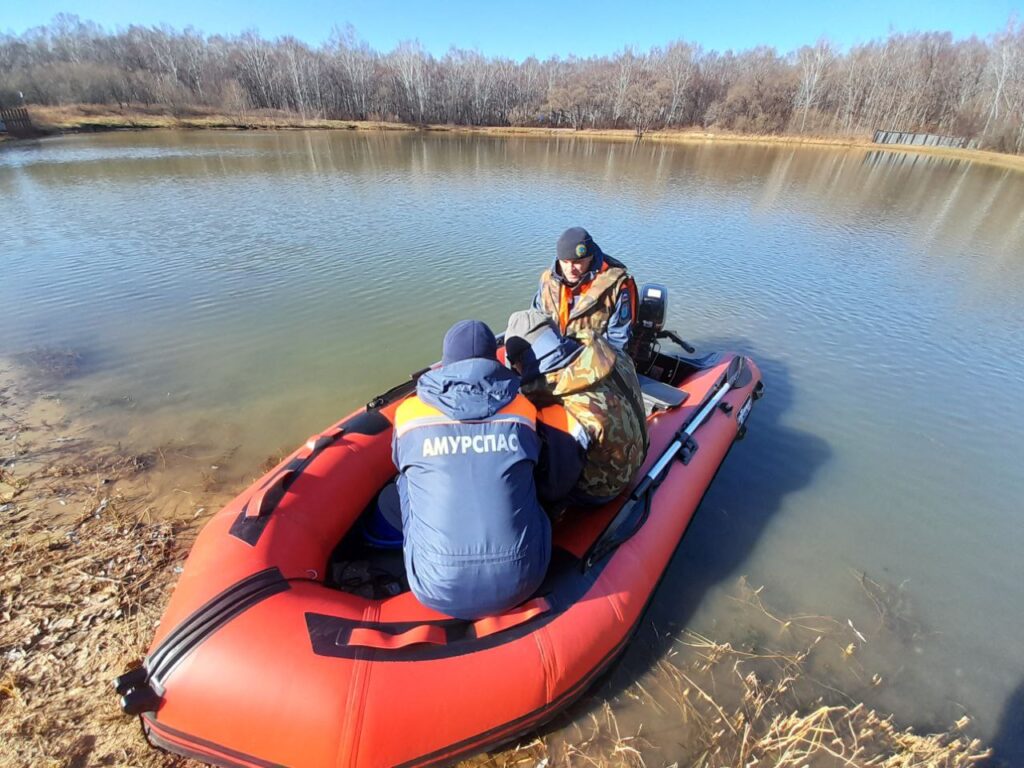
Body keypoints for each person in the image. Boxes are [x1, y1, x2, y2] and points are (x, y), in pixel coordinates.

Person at [388, 320, 582, 620]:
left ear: (445, 363)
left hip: (436, 587)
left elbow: (399, 462)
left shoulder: (408, 413)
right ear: (495, 360)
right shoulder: (523, 409)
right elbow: (551, 478)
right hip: (524, 578)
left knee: (405, 480)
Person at [505, 309, 649, 504]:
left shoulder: (557, 403)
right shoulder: (612, 353)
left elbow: (554, 488)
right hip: (639, 453)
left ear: (519, 362)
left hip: (604, 488)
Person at [532, 227, 638, 352]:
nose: (570, 269)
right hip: (553, 353)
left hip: (593, 358)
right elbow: (535, 319)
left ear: (590, 257)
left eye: (577, 262)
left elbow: (617, 340)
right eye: (565, 262)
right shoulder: (547, 280)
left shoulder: (616, 288)